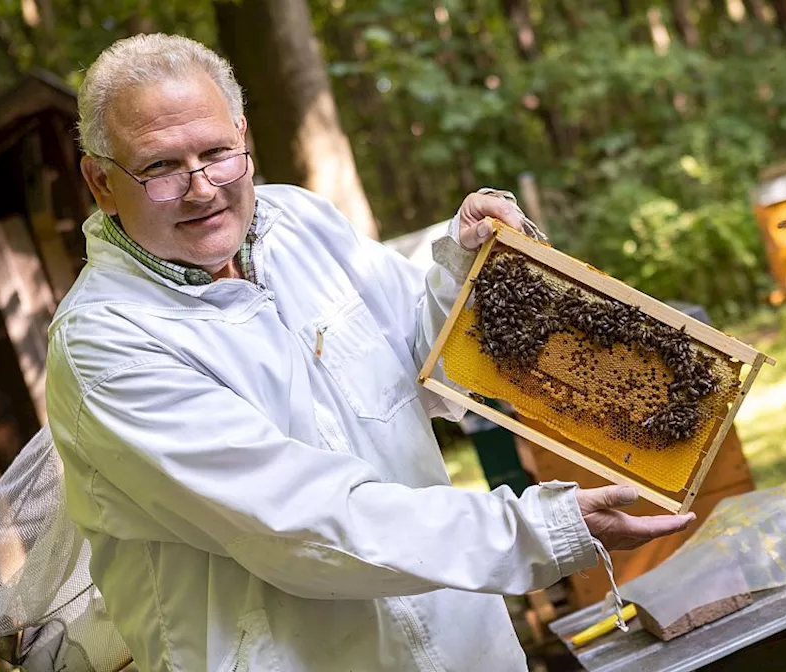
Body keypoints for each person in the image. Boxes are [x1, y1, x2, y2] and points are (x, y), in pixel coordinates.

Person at [47, 33, 695, 671]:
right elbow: (302, 527)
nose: (202, 187)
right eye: (160, 166)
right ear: (101, 183)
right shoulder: (104, 344)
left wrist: (466, 268)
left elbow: (427, 369)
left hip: (468, 647)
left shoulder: (299, 222)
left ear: (243, 135)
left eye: (217, 152)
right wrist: (536, 532)